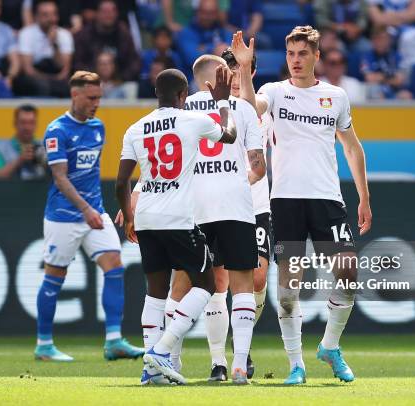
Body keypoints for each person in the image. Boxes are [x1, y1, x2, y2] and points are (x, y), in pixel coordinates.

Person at [232, 27, 372, 384]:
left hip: (328, 200)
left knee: (348, 271)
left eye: (302, 54)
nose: (295, 60)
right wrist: (245, 71)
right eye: (291, 54)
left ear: (316, 56)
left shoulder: (336, 96)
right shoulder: (274, 92)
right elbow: (249, 108)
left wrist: (364, 198)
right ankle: (296, 364)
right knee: (289, 289)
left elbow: (353, 148)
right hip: (286, 201)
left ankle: (329, 345)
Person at [115, 66, 237, 385]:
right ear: (184, 95)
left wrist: (128, 216)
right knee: (207, 285)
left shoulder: (135, 129)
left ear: (157, 93)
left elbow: (120, 182)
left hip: (146, 221)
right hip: (178, 220)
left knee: (155, 294)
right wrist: (222, 101)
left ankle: (150, 372)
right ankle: (161, 350)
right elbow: (230, 133)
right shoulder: (192, 120)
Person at [159, 54, 265, 384]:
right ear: (220, 75)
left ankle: (171, 360)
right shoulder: (243, 109)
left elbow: (165, 164)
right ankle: (238, 365)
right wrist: (233, 180)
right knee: (242, 285)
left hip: (192, 210)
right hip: (235, 207)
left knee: (184, 285)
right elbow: (259, 167)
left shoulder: (179, 112)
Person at [35, 71, 144, 362]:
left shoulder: (98, 127)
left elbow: (91, 174)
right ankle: (44, 344)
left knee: (115, 266)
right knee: (54, 276)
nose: (96, 103)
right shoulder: (57, 130)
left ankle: (113, 341)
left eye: (99, 97)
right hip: (63, 217)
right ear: (75, 95)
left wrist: (93, 210)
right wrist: (84, 210)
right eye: (91, 97)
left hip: (95, 213)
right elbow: (60, 178)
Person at [221, 47, 270, 379]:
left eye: (241, 70)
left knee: (257, 278)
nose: (236, 76)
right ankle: (232, 354)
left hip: (256, 203)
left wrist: (246, 64)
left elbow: (251, 108)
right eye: (231, 70)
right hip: (221, 203)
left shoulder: (264, 98)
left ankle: (243, 341)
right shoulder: (214, 107)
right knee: (221, 282)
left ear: (251, 72)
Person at [72, 0, 140, 85]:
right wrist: (95, 78)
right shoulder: (85, 35)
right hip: (90, 84)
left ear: (117, 13)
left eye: (112, 11)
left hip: (120, 84)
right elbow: (78, 64)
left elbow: (134, 62)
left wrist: (120, 79)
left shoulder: (124, 33)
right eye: (105, 11)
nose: (109, 15)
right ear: (97, 13)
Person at [14, 1, 73, 97]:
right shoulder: (26, 33)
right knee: (41, 86)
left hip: (56, 75)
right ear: (36, 17)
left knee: (69, 87)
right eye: (46, 15)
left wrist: (54, 44)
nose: (51, 18)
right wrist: (48, 80)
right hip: (34, 76)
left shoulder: (65, 35)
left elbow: (64, 70)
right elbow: (28, 69)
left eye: (54, 14)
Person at [0, 104, 47, 180]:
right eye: (23, 122)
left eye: (31, 122)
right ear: (15, 123)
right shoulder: (0, 147)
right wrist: (20, 160)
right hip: (10, 191)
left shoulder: (45, 147)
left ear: (36, 125)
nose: (27, 127)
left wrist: (46, 162)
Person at [176, 0, 232, 73]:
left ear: (217, 13)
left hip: (221, 77)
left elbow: (230, 54)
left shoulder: (224, 32)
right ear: (197, 12)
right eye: (204, 12)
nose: (208, 17)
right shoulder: (185, 33)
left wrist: (205, 48)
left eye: (212, 13)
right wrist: (214, 50)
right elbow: (192, 59)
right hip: (194, 79)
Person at [361, 27, 412, 100]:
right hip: (377, 91)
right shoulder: (367, 56)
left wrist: (380, 77)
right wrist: (391, 78)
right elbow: (369, 78)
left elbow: (400, 80)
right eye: (377, 39)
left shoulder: (397, 56)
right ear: (373, 41)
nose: (380, 42)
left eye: (383, 39)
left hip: (395, 91)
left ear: (389, 40)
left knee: (406, 95)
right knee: (375, 92)